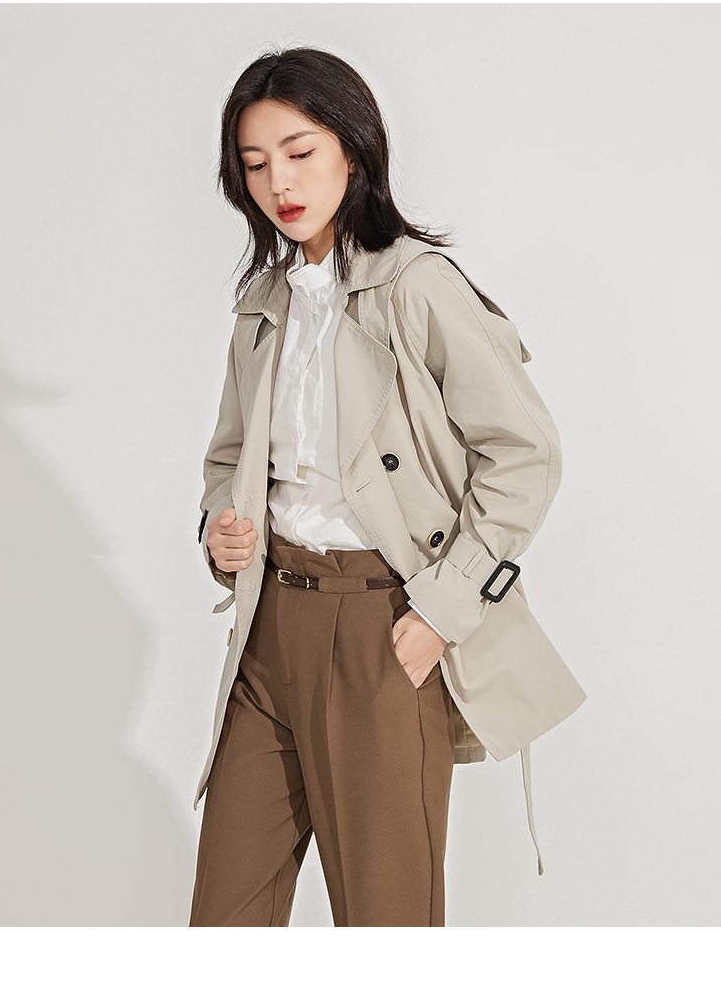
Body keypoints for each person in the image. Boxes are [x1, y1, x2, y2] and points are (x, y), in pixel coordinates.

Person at [188, 47, 585, 928]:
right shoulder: (264, 303)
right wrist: (219, 524)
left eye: (300, 152)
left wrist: (442, 609)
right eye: (254, 164)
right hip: (266, 632)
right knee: (223, 921)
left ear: (353, 148)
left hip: (380, 627)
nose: (279, 182)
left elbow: (525, 452)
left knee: (386, 923)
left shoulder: (416, 286)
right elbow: (229, 458)